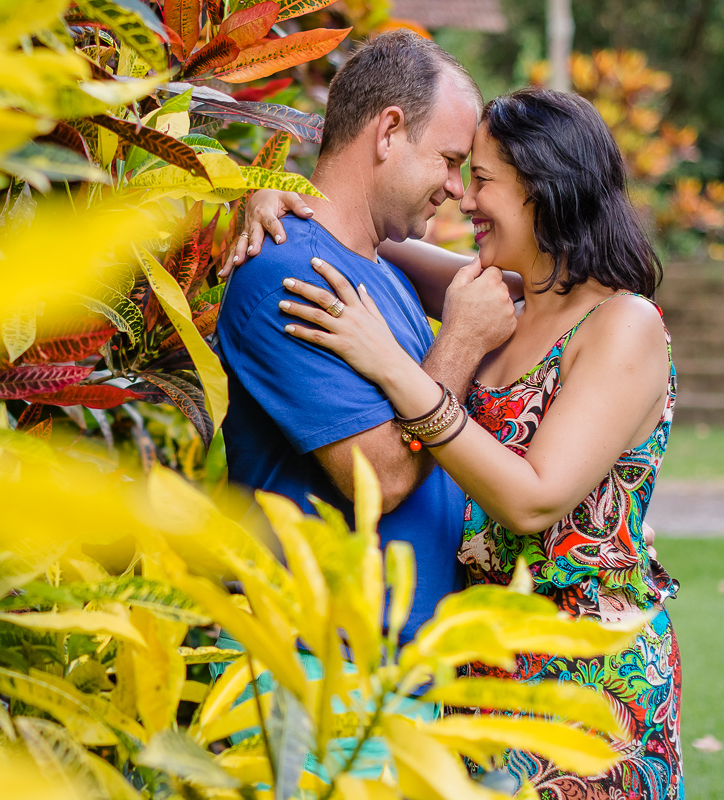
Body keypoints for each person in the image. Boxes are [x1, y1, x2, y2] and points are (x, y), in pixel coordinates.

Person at [243, 88, 683, 798]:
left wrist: (392, 364)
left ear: (544, 187)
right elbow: (362, 225)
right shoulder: (504, 298)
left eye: (480, 180)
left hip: (581, 674)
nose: (463, 200)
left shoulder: (619, 324)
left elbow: (534, 501)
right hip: (473, 665)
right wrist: (273, 194)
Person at [211, 29, 517, 780]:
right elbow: (378, 478)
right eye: (449, 162)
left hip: (386, 679)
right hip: (313, 677)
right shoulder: (291, 272)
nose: (457, 189)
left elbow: (543, 283)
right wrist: (460, 345)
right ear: (387, 131)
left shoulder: (375, 268)